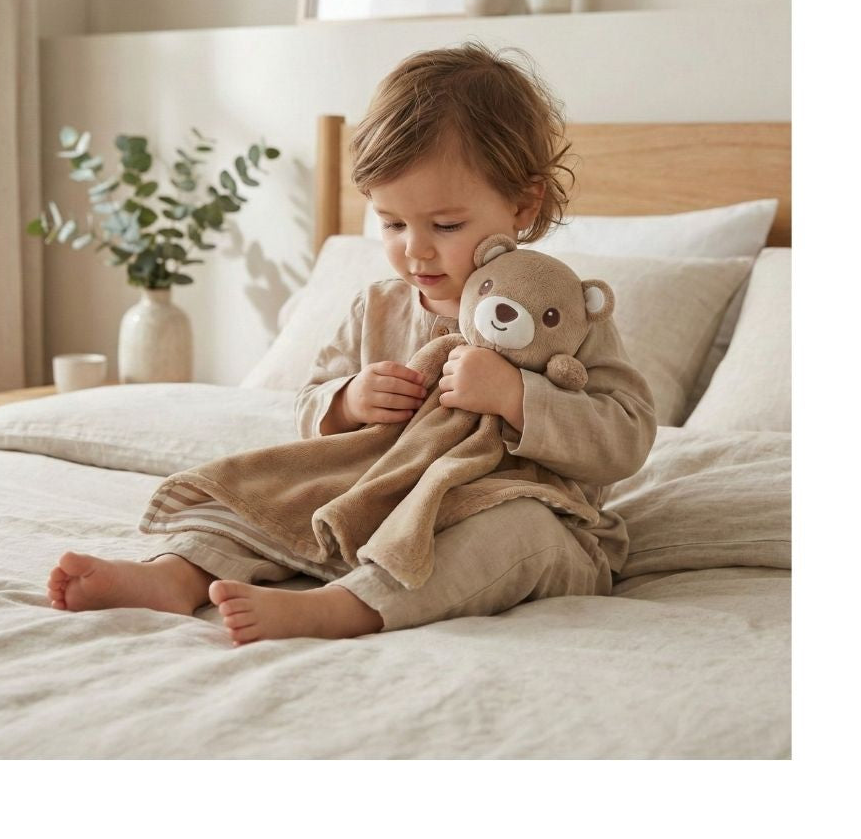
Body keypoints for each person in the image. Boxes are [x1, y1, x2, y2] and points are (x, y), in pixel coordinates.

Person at [47, 42, 657, 645]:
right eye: (391, 224)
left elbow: (626, 436)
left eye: (445, 226)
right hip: (374, 501)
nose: (414, 249)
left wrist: (518, 397)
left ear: (524, 203)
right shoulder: (379, 307)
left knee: (513, 530)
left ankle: (347, 606)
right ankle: (176, 576)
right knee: (268, 490)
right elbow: (308, 405)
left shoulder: (563, 313)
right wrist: (347, 401)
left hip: (527, 514)